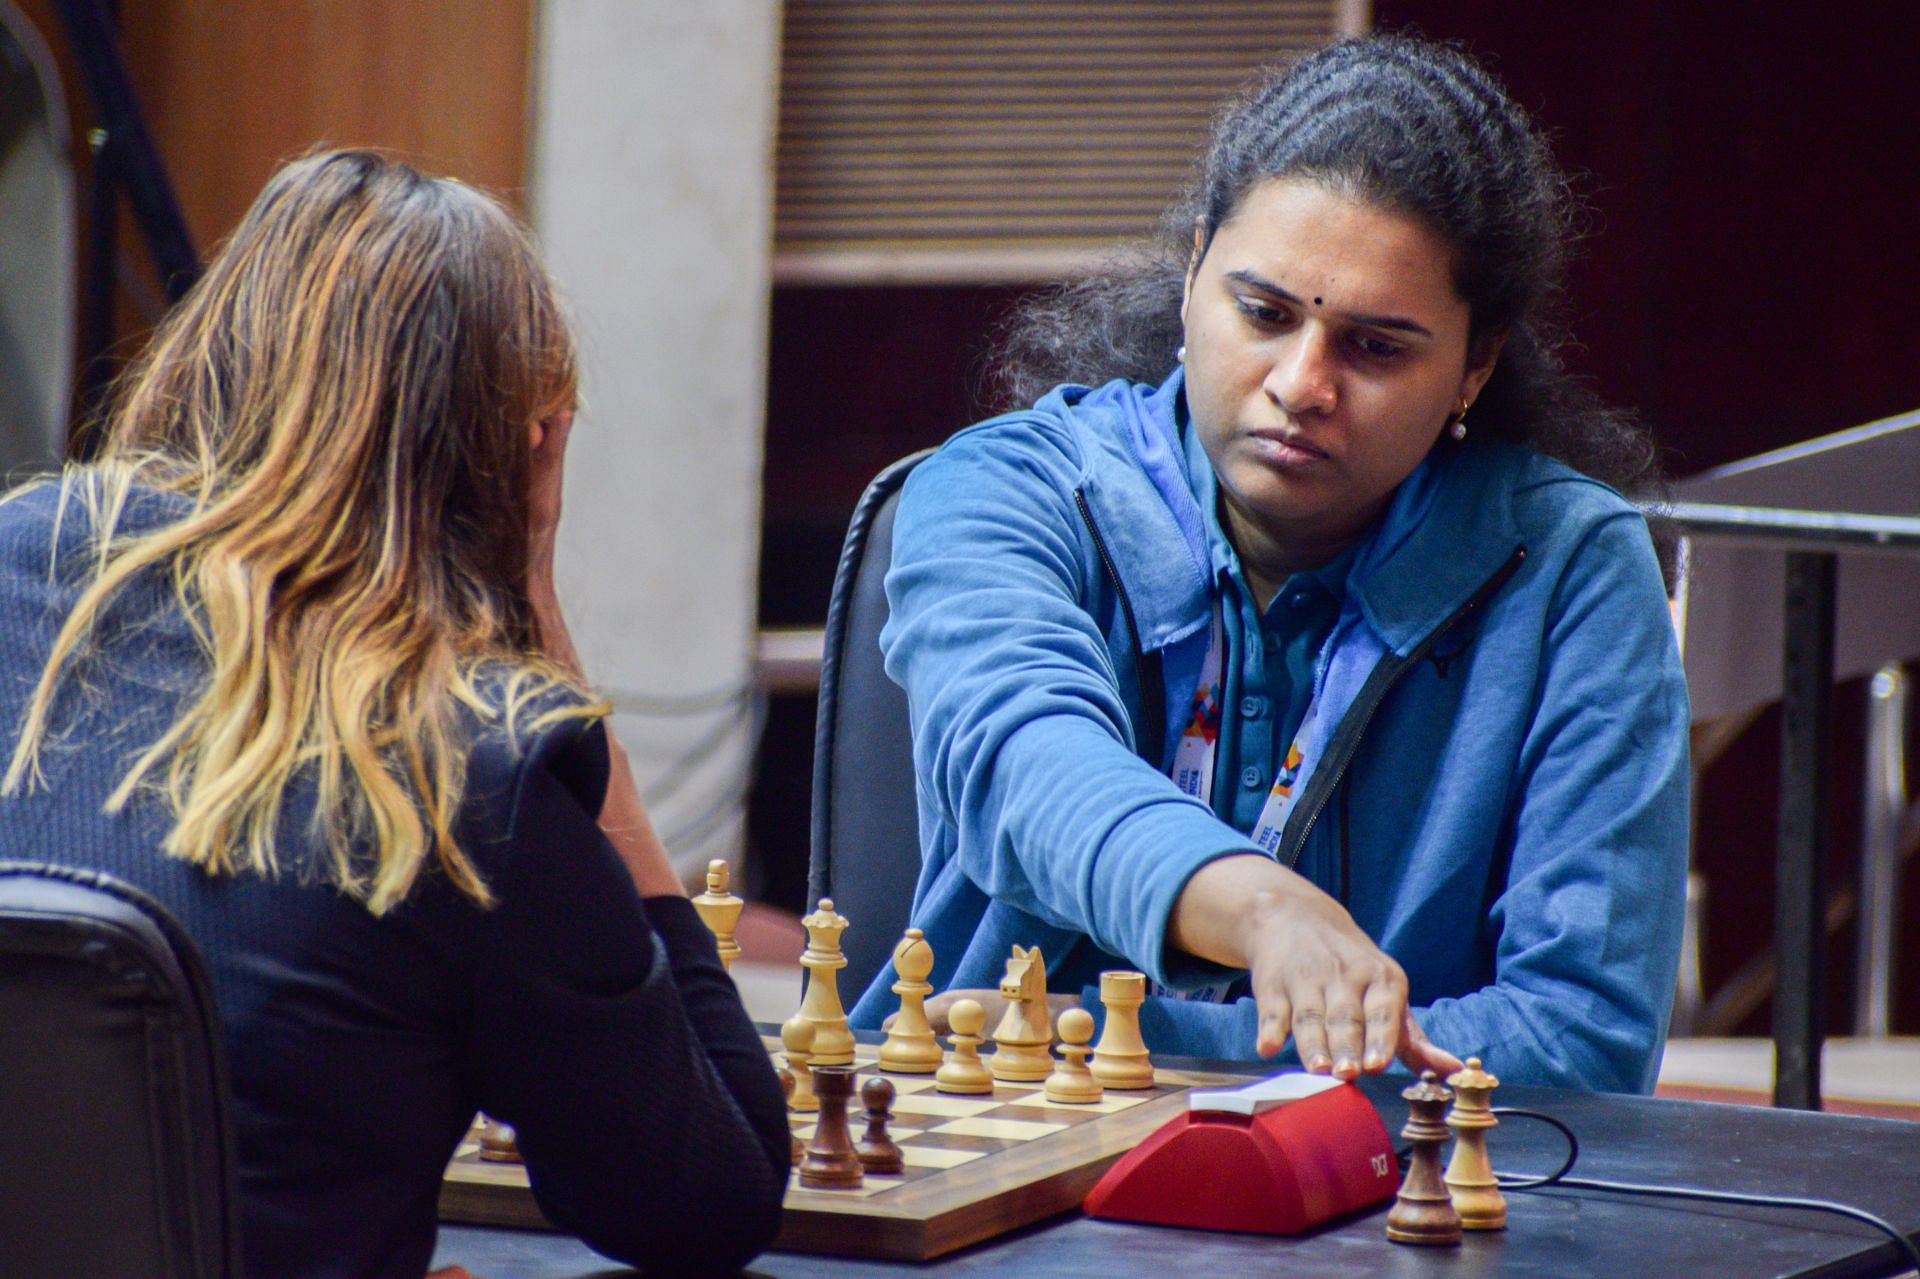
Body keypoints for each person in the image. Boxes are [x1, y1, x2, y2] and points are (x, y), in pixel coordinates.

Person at [848, 36, 1690, 1094]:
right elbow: (1026, 763)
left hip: (1381, 1214)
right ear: (1195, 267)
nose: (1302, 383)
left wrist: (1124, 1039)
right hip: (996, 1161)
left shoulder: (1572, 570)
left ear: (1475, 364)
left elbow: (1581, 1043)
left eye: (1375, 347)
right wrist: (1263, 908)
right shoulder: (1009, 490)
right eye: (1264, 312)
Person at [0, 151, 789, 1277]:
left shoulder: (17, 555)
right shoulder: (470, 758)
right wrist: (536, 622)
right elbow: (712, 1195)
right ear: (521, 456)